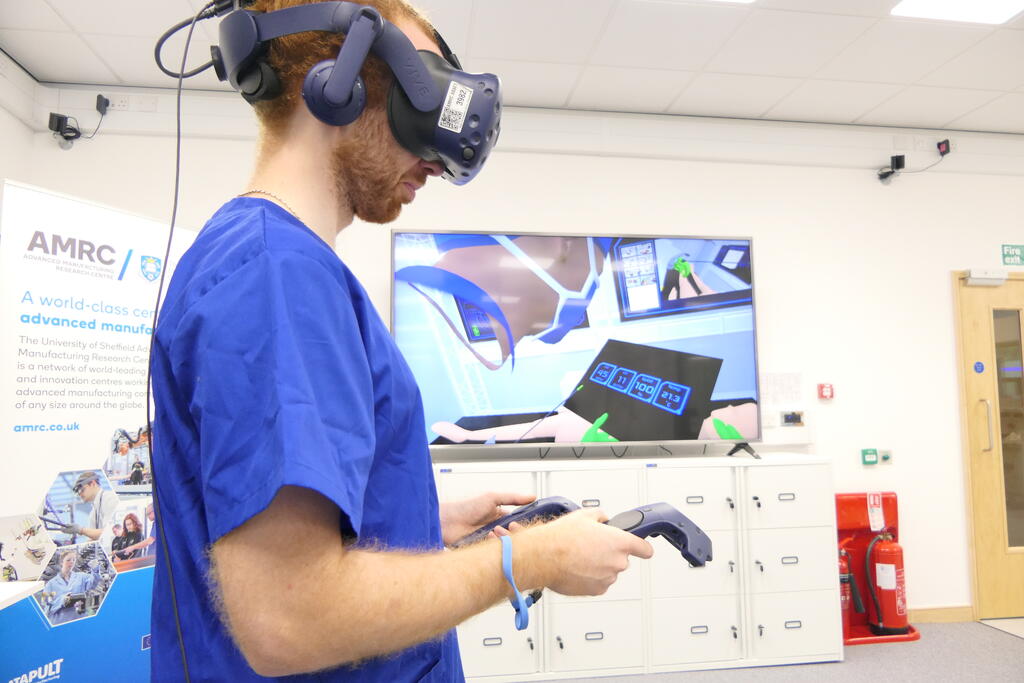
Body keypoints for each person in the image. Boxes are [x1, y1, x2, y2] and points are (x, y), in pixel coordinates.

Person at [148, 1, 653, 681]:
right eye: (423, 96)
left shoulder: (278, 264)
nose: (437, 163)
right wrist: (526, 561)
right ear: (340, 80)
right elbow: (289, 619)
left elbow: (273, 529)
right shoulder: (277, 274)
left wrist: (417, 520)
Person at [40, 549, 102, 625]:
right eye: (68, 560)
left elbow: (92, 585)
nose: (72, 562)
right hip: (60, 621)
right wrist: (62, 601)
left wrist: (95, 570)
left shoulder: (81, 576)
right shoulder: (50, 584)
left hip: (79, 618)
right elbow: (45, 604)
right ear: (61, 562)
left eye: (73, 560)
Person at [59, 471, 117, 542]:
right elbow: (92, 538)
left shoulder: (110, 498)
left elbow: (109, 532)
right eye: (78, 492)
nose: (80, 494)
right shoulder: (93, 511)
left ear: (93, 484)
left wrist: (80, 530)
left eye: (82, 490)